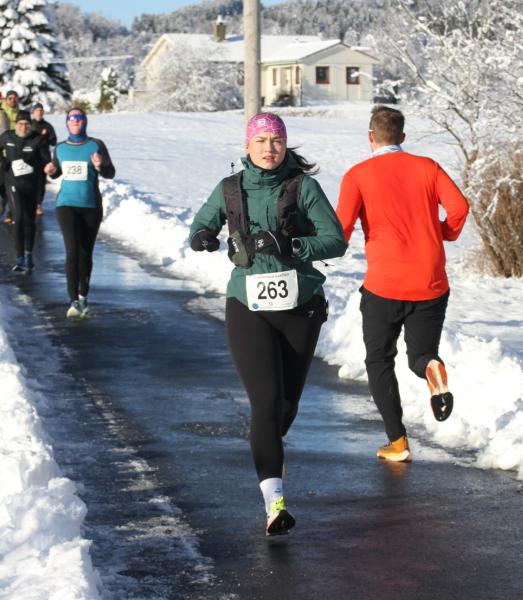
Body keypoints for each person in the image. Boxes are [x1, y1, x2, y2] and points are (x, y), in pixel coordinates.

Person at [188, 113, 346, 535]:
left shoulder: (303, 188)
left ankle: (268, 449)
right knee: (266, 401)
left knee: (286, 405)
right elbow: (201, 223)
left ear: (285, 145)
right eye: (261, 141)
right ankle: (275, 502)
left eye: (276, 141)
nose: (269, 148)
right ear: (248, 146)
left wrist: (291, 243)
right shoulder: (230, 189)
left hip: (301, 306)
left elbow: (336, 240)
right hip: (247, 304)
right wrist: (202, 236)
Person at [335, 106, 470, 463]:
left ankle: (397, 441)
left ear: (370, 138)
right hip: (430, 282)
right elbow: (459, 207)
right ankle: (430, 366)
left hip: (383, 285)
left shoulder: (358, 175)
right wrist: (441, 234)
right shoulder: (427, 167)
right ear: (402, 138)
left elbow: (341, 229)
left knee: (379, 360)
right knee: (420, 354)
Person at [43, 107, 115, 319]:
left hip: (91, 206)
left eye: (79, 118)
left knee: (86, 254)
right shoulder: (61, 148)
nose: (75, 121)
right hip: (66, 205)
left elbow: (110, 173)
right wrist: (51, 171)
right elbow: (57, 172)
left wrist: (100, 166)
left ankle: (84, 294)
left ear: (84, 122)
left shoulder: (96, 145)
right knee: (73, 251)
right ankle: (73, 299)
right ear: (67, 123)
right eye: (71, 118)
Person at [0, 112, 50, 272]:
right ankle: (19, 258)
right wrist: (1, 160)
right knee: (18, 218)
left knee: (29, 221)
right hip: (13, 183)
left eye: (26, 124)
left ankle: (29, 254)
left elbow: (46, 160)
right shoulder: (8, 137)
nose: (23, 127)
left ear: (30, 125)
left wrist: (40, 165)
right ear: (15, 124)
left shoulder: (38, 139)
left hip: (32, 184)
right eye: (20, 124)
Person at [0, 90, 21, 223]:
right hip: (2, 154)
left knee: (14, 184)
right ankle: (3, 199)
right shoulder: (0, 114)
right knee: (0, 184)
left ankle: (11, 212)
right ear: (6, 100)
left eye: (15, 98)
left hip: (17, 154)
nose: (13, 101)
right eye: (10, 98)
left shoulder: (20, 114)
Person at [30, 103, 57, 217]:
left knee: (41, 182)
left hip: (43, 158)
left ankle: (38, 204)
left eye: (41, 110)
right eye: (37, 110)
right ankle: (28, 202)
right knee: (29, 180)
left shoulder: (48, 126)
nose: (39, 112)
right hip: (30, 156)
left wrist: (46, 137)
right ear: (33, 112)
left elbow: (53, 141)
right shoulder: (29, 124)